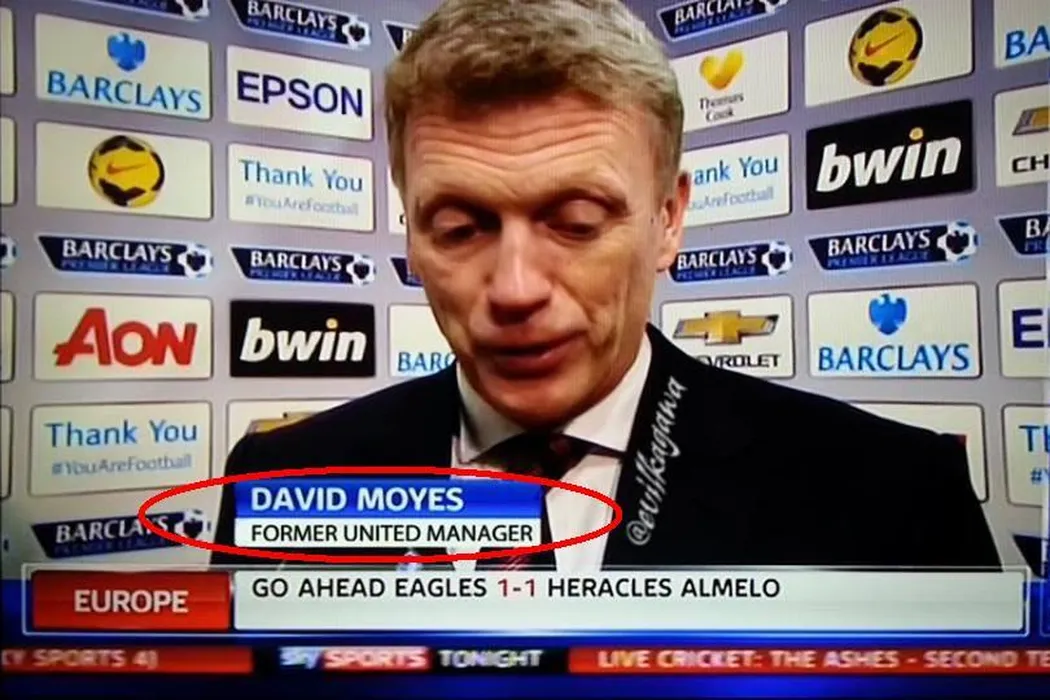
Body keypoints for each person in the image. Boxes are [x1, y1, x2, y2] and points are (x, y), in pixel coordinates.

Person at [212, 0, 1000, 571]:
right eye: (459, 228)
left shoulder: (895, 496)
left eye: (576, 222)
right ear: (410, 231)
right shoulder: (282, 482)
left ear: (668, 219)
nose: (515, 288)